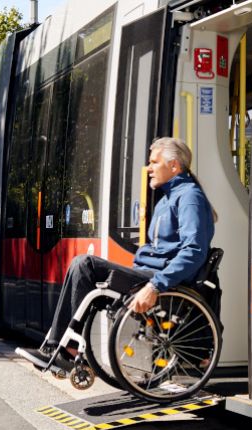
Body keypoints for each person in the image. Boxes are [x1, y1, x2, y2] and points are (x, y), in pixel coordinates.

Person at [44, 137, 215, 353]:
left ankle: (67, 348)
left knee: (84, 264)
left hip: (162, 280)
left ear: (174, 166)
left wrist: (155, 286)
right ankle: (59, 344)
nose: (149, 168)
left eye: (154, 162)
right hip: (149, 274)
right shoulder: (168, 198)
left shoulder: (190, 197)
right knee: (81, 265)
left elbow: (194, 251)